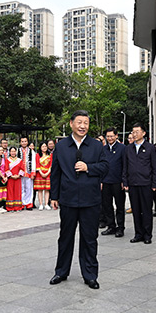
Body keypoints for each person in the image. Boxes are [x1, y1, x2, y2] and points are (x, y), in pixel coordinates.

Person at [50, 111, 108, 289]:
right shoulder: (61, 146)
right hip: (68, 199)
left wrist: (88, 167)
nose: (83, 126)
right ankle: (61, 271)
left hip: (91, 200)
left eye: (86, 123)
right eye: (79, 122)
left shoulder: (97, 146)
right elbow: (55, 173)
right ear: (71, 124)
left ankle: (90, 275)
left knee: (89, 238)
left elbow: (105, 167)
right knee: (65, 237)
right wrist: (54, 196)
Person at [123, 123, 156, 244]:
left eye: (137, 131)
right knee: (136, 210)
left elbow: (155, 167)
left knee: (146, 210)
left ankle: (147, 235)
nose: (135, 134)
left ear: (144, 133)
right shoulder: (128, 148)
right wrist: (125, 181)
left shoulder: (150, 147)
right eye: (133, 132)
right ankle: (138, 233)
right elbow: (125, 167)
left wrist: (154, 184)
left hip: (146, 184)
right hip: (133, 184)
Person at [101, 129, 125, 238]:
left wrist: (124, 181)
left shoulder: (122, 148)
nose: (110, 138)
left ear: (116, 136)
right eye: (108, 136)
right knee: (107, 205)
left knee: (119, 206)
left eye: (111, 136)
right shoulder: (103, 149)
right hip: (106, 181)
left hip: (118, 182)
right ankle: (111, 226)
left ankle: (120, 228)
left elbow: (125, 166)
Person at [18, 136, 37, 210]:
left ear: (27, 142)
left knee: (29, 188)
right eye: (22, 141)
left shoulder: (31, 151)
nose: (24, 143)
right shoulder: (17, 151)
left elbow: (33, 162)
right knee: (21, 188)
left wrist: (33, 172)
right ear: (20, 142)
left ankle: (29, 203)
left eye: (25, 141)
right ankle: (22, 203)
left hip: (29, 172)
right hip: (20, 173)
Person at [5, 147, 24, 211]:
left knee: (17, 192)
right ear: (9, 152)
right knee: (10, 192)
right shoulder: (7, 160)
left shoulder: (19, 160)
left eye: (14, 151)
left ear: (16, 152)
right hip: (11, 178)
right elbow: (6, 169)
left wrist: (18, 175)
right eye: (12, 151)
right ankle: (10, 207)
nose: (13, 153)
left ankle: (17, 207)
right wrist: (11, 176)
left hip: (18, 178)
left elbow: (22, 169)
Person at [34, 142, 52, 210]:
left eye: (45, 146)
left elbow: (51, 164)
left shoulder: (50, 155)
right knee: (40, 189)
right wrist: (41, 173)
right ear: (40, 148)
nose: (44, 148)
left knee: (47, 190)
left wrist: (48, 172)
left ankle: (46, 204)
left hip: (48, 173)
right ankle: (41, 204)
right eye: (43, 146)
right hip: (40, 173)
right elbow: (37, 164)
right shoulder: (38, 155)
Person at [0, 145, 9, 213]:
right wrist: (2, 176)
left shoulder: (3, 158)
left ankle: (3, 206)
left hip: (4, 177)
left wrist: (6, 176)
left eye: (2, 150)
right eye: (0, 150)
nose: (2, 151)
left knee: (4, 192)